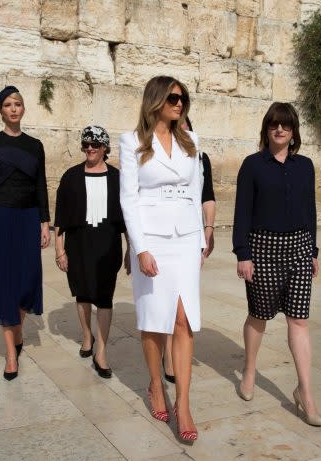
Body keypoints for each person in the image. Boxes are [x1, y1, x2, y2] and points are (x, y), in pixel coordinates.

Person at [119, 75, 205, 442]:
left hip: (185, 239)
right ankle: (156, 385)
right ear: (155, 99)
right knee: (155, 321)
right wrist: (139, 248)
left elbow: (196, 190)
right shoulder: (132, 142)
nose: (179, 104)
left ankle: (183, 403)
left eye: (183, 98)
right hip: (152, 239)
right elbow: (129, 198)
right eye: (173, 98)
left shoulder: (192, 141)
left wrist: (201, 239)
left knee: (184, 320)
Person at [232, 102, 321, 426]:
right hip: (263, 248)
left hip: (299, 247)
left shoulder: (306, 166)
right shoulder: (253, 166)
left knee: (299, 320)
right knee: (259, 316)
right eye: (274, 124)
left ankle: (306, 393)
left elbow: (310, 210)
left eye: (285, 125)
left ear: (294, 131)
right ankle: (249, 368)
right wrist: (243, 253)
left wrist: (312, 250)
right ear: (266, 129)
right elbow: (242, 211)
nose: (280, 129)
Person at [0, 86, 50, 381]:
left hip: (28, 218)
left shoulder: (35, 145)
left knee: (27, 280)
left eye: (18, 103)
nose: (14, 108)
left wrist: (45, 222)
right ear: (0, 110)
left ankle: (18, 332)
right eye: (8, 104)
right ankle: (10, 355)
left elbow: (41, 185)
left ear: (24, 109)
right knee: (4, 280)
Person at [53, 125, 128, 379]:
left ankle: (102, 351)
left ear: (105, 147)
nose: (90, 149)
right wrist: (59, 250)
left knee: (105, 296)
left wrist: (131, 249)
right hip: (78, 243)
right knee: (82, 293)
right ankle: (87, 337)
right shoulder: (71, 176)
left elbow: (127, 218)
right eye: (86, 144)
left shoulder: (117, 177)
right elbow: (61, 215)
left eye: (95, 144)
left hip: (107, 243)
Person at [163, 115, 216, 384]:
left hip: (191, 236)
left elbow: (208, 196)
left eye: (185, 126)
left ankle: (175, 351)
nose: (180, 130)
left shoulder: (200, 159)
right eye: (176, 126)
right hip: (163, 235)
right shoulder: (158, 156)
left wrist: (209, 228)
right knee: (168, 294)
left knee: (183, 297)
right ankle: (168, 356)